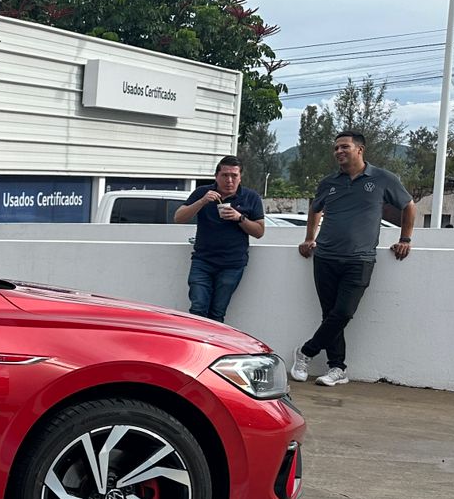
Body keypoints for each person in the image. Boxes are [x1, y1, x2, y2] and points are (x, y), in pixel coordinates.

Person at [290, 130, 415, 387]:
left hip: (360, 259)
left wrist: (405, 239)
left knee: (344, 312)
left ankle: (306, 352)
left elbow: (408, 205)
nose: (339, 152)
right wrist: (309, 237)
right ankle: (338, 368)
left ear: (360, 149)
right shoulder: (329, 183)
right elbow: (315, 209)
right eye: (336, 148)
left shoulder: (382, 179)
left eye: (344, 147)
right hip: (325, 256)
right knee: (330, 314)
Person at [173, 156, 265, 323]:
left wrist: (240, 218)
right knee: (197, 309)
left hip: (232, 263)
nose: (229, 180)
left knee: (217, 313)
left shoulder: (251, 197)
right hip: (203, 261)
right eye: (224, 175)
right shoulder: (203, 193)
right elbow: (178, 217)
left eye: (234, 175)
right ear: (216, 176)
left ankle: (214, 348)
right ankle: (197, 347)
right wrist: (201, 202)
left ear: (240, 177)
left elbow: (259, 232)